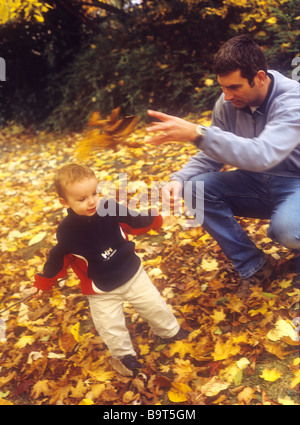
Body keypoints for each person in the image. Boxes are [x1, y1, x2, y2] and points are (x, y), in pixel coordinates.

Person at [146, 35, 300, 296]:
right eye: (222, 87)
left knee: (287, 230)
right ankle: (254, 266)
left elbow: (263, 154)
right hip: (256, 182)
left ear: (260, 77)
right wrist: (178, 179)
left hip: (295, 183)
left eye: (235, 87)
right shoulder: (228, 102)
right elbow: (212, 155)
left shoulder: (292, 101)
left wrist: (198, 133)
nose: (226, 96)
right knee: (195, 189)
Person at [33, 163, 188, 377]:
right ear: (64, 202)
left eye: (94, 193)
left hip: (131, 273)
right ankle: (125, 356)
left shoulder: (110, 208)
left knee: (154, 306)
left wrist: (157, 219)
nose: (92, 201)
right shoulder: (67, 231)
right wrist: (44, 282)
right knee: (111, 327)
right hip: (100, 289)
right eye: (82, 199)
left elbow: (134, 219)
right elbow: (57, 258)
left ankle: (170, 332)